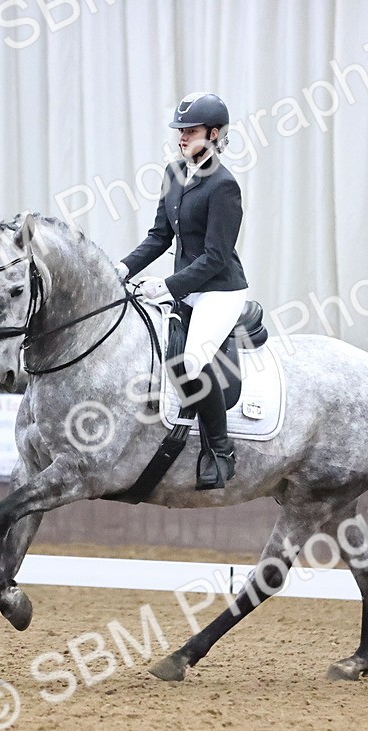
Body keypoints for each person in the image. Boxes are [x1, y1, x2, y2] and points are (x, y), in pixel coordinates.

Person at [118, 92, 248, 491]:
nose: (182, 137)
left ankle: (220, 451)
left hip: (219, 292)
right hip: (185, 288)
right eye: (180, 131)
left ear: (214, 134)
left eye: (190, 131)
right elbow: (159, 236)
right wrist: (122, 269)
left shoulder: (224, 186)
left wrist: (168, 286)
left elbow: (215, 256)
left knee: (190, 364)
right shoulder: (174, 173)